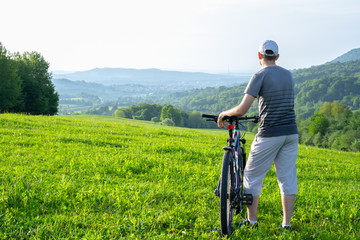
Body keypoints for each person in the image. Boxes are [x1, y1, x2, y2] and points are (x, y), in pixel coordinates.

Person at [217, 40, 298, 230]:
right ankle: (286, 225)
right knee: (287, 178)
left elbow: (242, 109)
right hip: (291, 133)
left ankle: (251, 222)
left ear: (259, 56)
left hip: (270, 133)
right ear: (277, 56)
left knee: (252, 176)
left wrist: (224, 114)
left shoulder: (259, 75)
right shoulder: (288, 75)